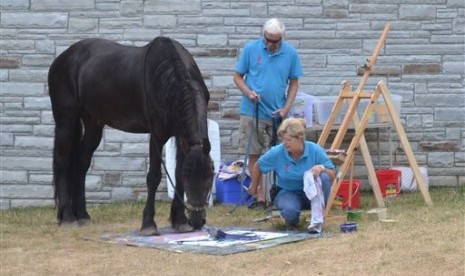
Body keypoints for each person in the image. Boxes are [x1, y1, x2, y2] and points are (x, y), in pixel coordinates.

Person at [234, 18, 303, 209]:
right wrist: (248, 92)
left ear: (282, 38)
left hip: (277, 113)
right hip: (252, 111)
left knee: (283, 152)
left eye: (275, 41)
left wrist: (286, 108)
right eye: (268, 39)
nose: (270, 44)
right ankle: (259, 196)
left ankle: (280, 192)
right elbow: (237, 76)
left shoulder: (290, 54)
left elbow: (294, 83)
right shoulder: (250, 49)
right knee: (255, 153)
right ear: (263, 35)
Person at [248, 118, 336, 233]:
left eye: (288, 140)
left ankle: (318, 217)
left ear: (299, 138)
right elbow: (258, 165)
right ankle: (291, 220)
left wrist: (321, 167)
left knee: (324, 177)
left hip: (312, 194)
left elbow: (332, 175)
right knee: (290, 211)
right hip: (288, 191)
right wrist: (254, 187)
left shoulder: (315, 150)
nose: (284, 143)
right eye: (283, 140)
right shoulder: (277, 152)